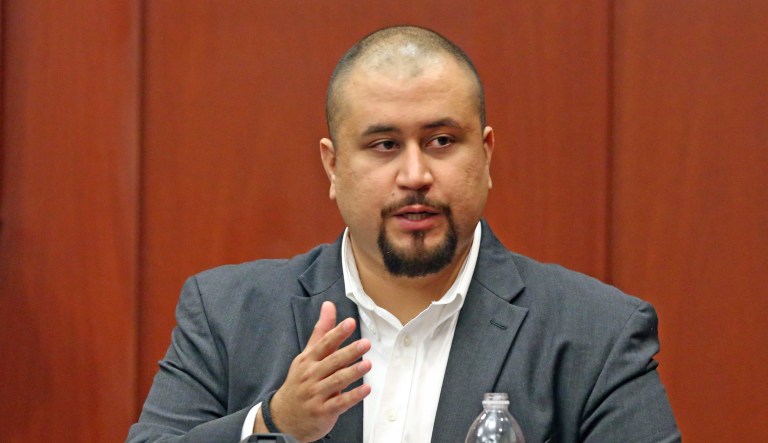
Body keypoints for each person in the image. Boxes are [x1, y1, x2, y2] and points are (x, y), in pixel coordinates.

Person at [127, 26, 680, 443]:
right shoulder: (227, 314)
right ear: (333, 166)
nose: (415, 175)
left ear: (486, 155)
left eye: (441, 141)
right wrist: (273, 422)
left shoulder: (597, 334)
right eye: (384, 145)